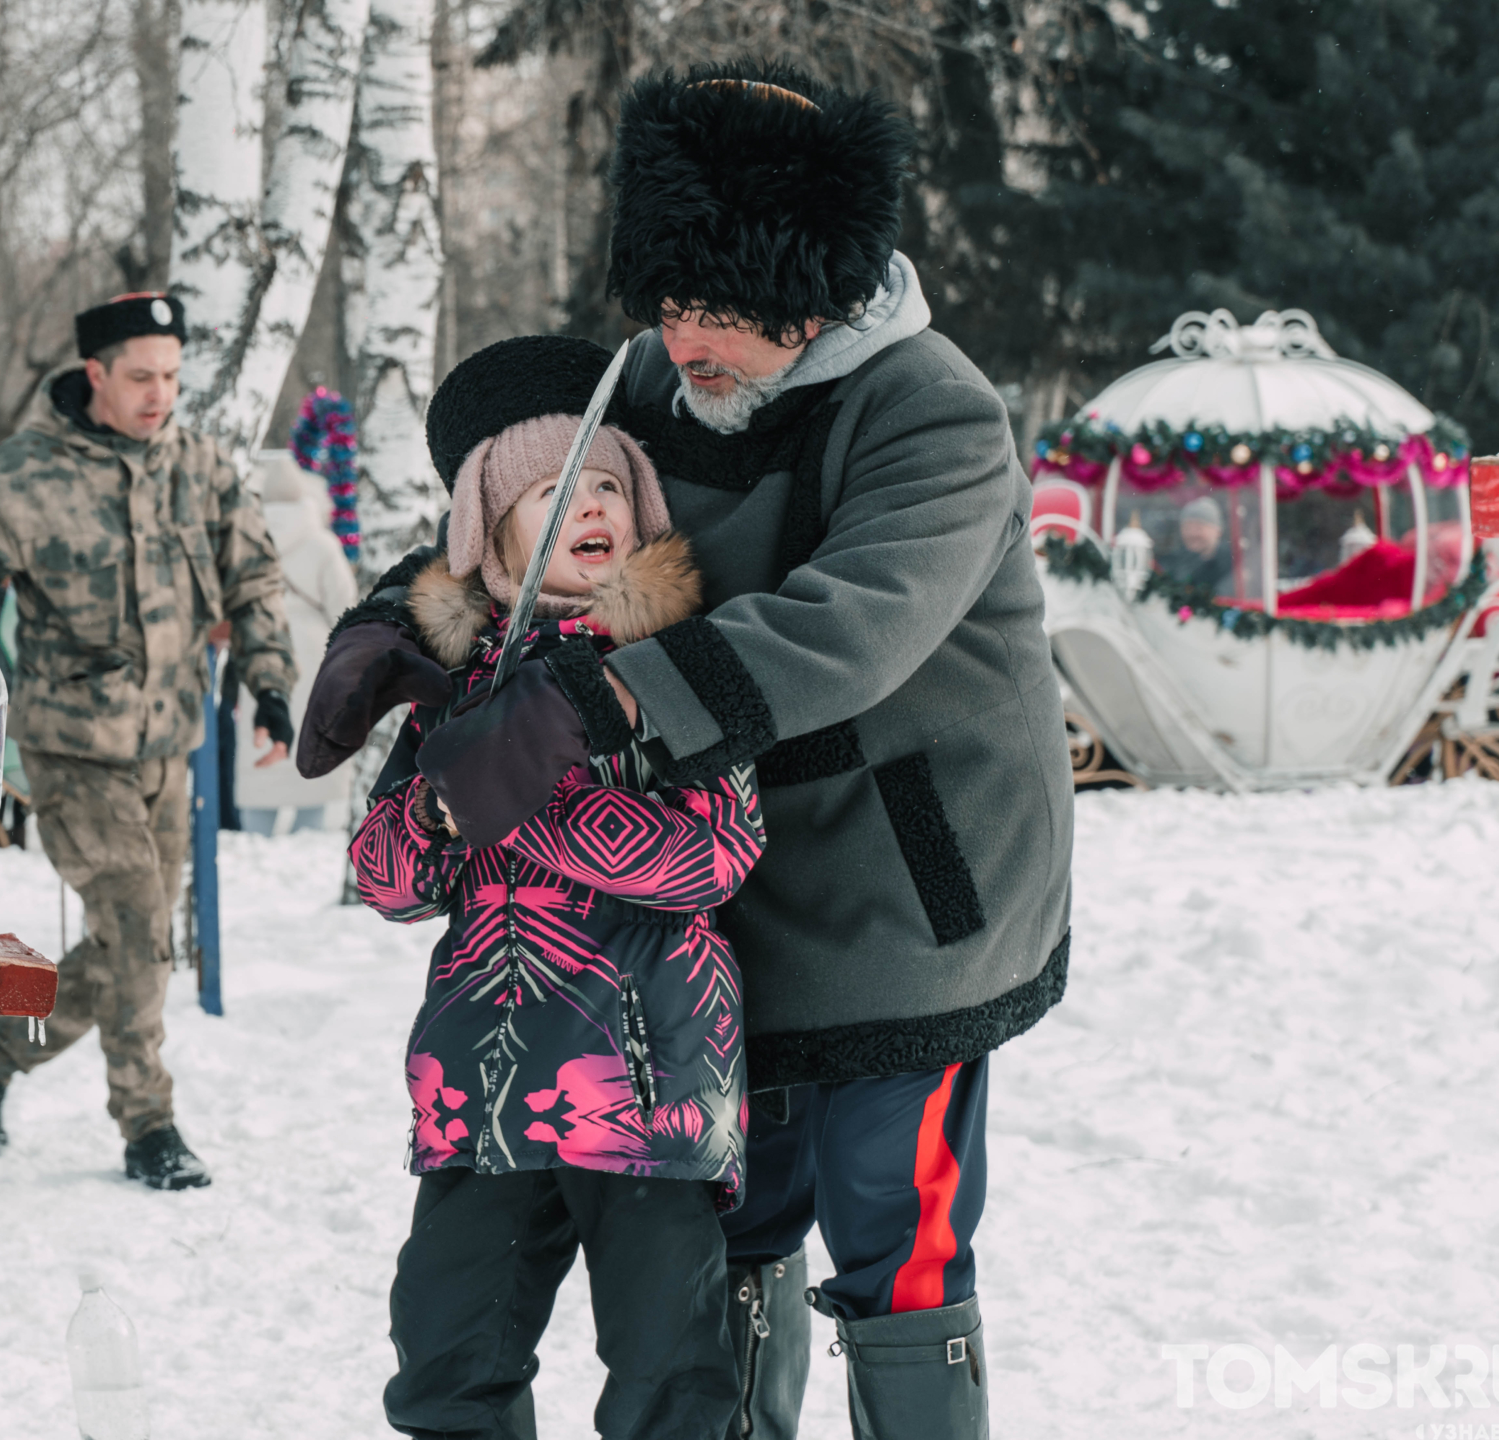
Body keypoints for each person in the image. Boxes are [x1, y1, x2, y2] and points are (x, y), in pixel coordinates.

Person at [308, 67, 1071, 1438]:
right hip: (721, 890)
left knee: (892, 1219)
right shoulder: (658, 377)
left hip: (907, 888)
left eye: (715, 314)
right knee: (744, 1213)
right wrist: (404, 620)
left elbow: (856, 624)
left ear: (809, 289)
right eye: (666, 305)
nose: (680, 342)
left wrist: (600, 711)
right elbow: (539, 520)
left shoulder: (933, 413)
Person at [344, 340, 762, 1440]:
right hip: (480, 1099)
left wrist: (532, 788)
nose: (591, 507)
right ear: (492, 534)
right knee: (444, 1364)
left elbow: (707, 857)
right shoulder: (455, 685)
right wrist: (441, 802)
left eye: (608, 484)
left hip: (647, 1091)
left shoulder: (677, 662)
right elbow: (386, 881)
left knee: (670, 1382)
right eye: (549, 490)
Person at [0, 293, 300, 1191]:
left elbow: (255, 580)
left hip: (168, 745)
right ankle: (148, 1123)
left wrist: (270, 686)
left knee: (134, 945)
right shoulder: (28, 473)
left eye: (173, 377)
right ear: (96, 377)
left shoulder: (200, 468)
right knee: (136, 921)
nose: (161, 395)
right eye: (142, 377)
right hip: (73, 750)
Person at [233, 454, 358, 832]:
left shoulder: (246, 543)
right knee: (311, 741)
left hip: (262, 649)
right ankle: (311, 827)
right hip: (315, 655)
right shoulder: (322, 545)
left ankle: (255, 830)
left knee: (263, 740)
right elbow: (346, 607)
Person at [1158, 495, 1236, 593]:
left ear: (1217, 530)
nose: (1192, 533)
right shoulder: (1172, 563)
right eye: (1187, 527)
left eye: (1199, 527)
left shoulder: (1234, 563)